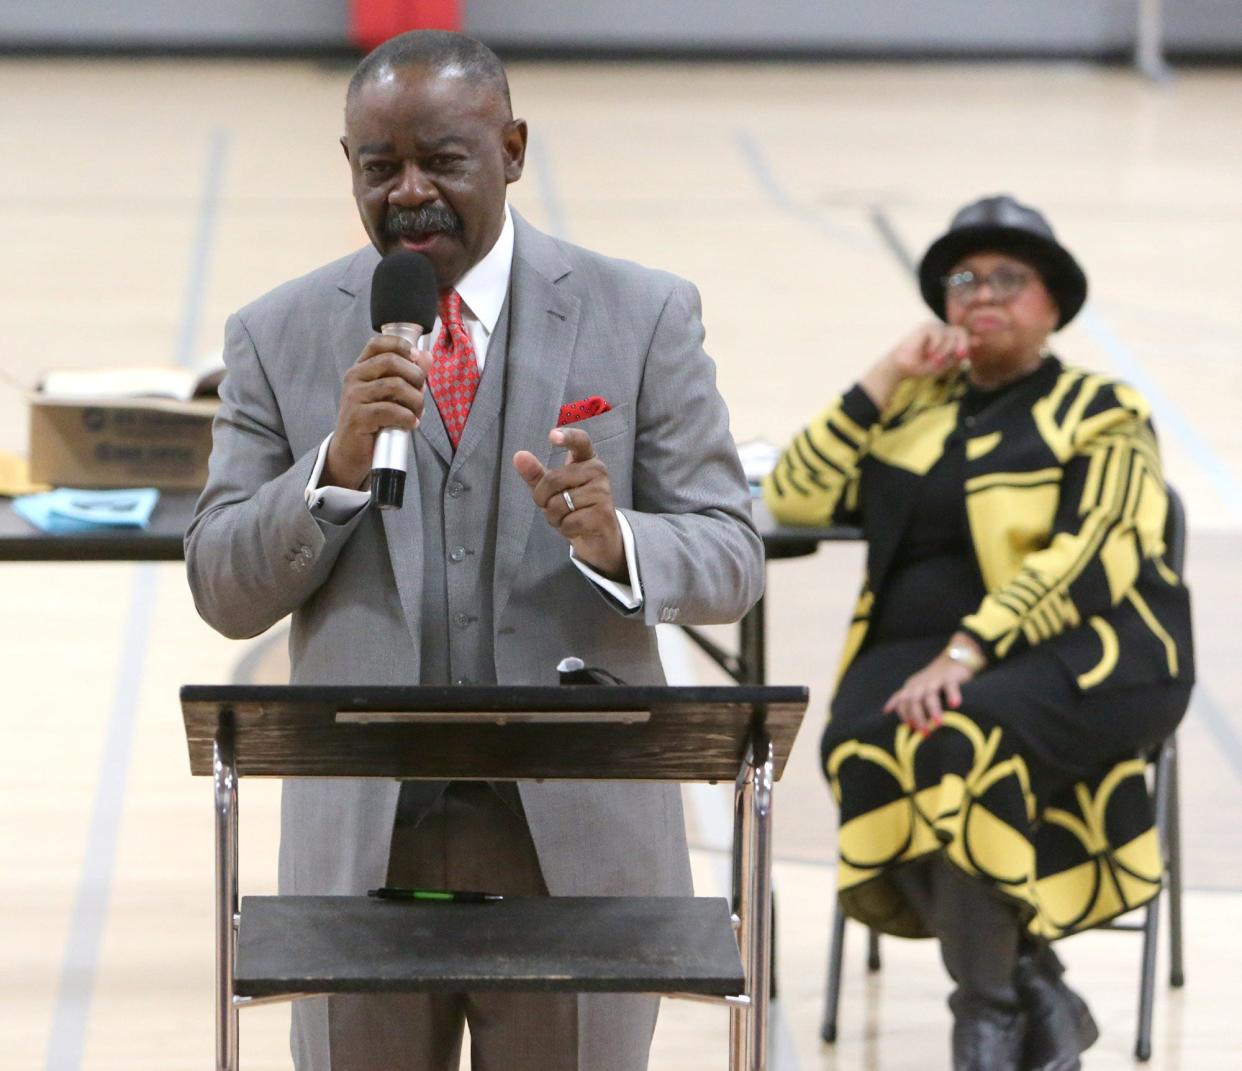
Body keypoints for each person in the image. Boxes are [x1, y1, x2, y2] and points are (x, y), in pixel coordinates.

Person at [185, 30, 763, 1071]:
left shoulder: (642, 315)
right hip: (362, 849)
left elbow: (730, 554)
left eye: (442, 159)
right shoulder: (275, 335)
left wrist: (617, 539)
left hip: (576, 846)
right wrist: (336, 464)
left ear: (512, 148)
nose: (409, 192)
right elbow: (223, 584)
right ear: (349, 165)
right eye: (380, 166)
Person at [763, 194, 1194, 1071]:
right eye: (964, 279)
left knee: (962, 736)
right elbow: (794, 496)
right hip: (918, 651)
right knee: (855, 742)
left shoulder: (1102, 408)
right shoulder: (913, 405)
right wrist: (884, 373)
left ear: (1053, 305)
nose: (982, 292)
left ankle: (987, 1020)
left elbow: (1094, 552)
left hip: (1094, 647)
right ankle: (1038, 988)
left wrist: (969, 649)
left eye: (1009, 277)